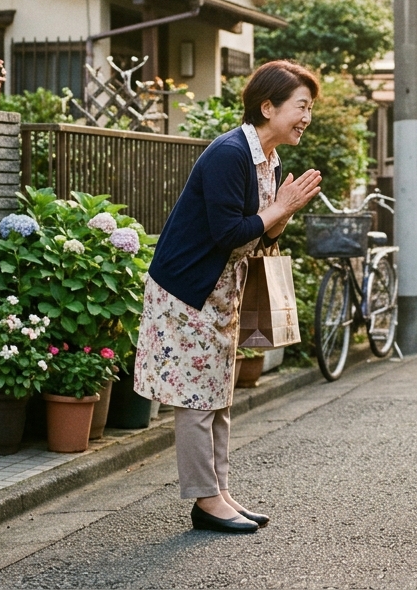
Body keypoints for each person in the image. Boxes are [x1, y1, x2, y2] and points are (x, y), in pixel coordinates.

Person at [134, 61, 323, 534]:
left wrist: (284, 210)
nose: (307, 117)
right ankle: (204, 500)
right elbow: (225, 233)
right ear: (267, 106)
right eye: (301, 106)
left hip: (220, 291)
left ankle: (218, 492)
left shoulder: (268, 157)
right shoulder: (230, 154)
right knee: (197, 399)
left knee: (219, 395)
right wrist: (281, 206)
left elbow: (258, 237)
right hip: (187, 290)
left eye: (309, 109)